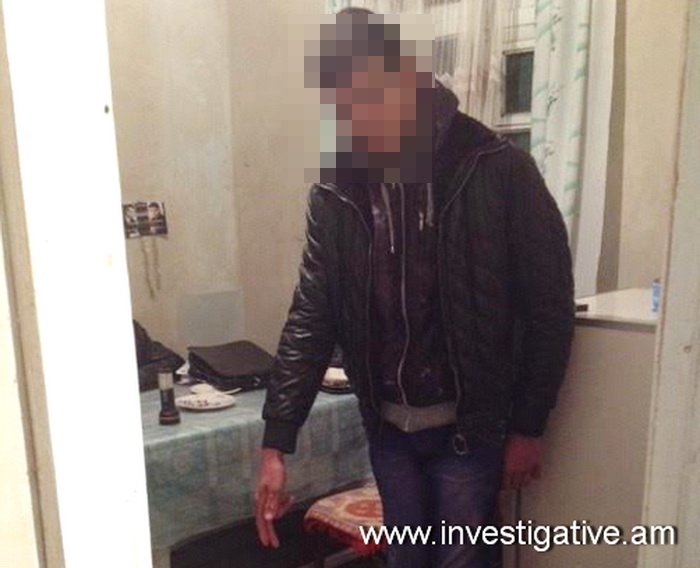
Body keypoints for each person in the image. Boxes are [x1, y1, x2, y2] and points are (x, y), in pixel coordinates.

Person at [256, 8, 575, 568]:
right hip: (388, 432)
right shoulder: (337, 190)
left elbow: (549, 308)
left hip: (470, 432)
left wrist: (528, 426)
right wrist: (277, 441)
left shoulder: (498, 169)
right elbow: (312, 315)